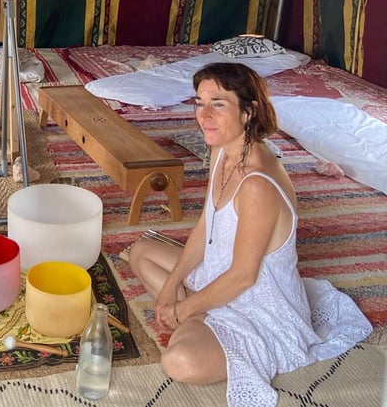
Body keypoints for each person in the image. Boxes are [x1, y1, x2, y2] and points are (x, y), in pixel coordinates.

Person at [120, 62, 372, 406]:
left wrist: (181, 309)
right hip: (217, 273)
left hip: (258, 307)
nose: (204, 115)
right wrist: (169, 286)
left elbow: (243, 276)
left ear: (248, 111)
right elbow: (206, 224)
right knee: (141, 252)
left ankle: (200, 319)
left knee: (179, 361)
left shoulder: (257, 184)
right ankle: (199, 315)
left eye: (218, 104)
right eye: (199, 103)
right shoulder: (222, 150)